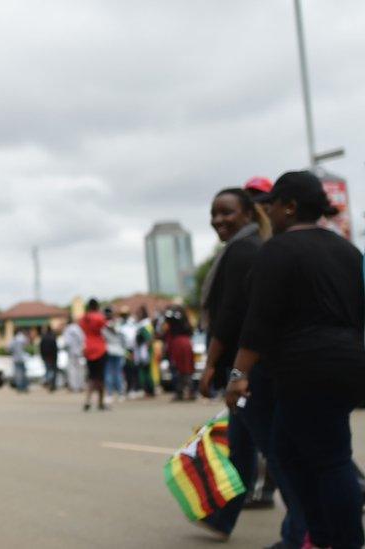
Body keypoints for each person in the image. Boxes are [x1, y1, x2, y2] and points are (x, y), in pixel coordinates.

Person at [227, 171, 365, 549]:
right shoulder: (348, 251)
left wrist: (238, 374)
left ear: (289, 206)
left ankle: (344, 541)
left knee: (330, 459)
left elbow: (259, 320)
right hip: (349, 361)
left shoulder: (279, 249)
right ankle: (321, 537)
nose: (267, 211)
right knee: (288, 451)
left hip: (307, 367)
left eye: (272, 204)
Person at [195, 187, 305, 545]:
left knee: (276, 453)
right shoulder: (248, 247)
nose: (218, 220)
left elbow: (230, 315)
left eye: (227, 212)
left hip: (247, 371)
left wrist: (212, 364)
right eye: (214, 213)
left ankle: (302, 532)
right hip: (247, 369)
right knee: (241, 448)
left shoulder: (244, 250)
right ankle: (223, 517)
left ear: (247, 213)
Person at [161, 307, 196, 402]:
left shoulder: (171, 322)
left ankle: (181, 392)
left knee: (179, 370)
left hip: (178, 345)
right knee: (187, 370)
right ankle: (190, 392)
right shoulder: (186, 322)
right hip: (186, 344)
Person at [79, 299, 108, 411]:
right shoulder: (99, 317)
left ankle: (88, 400)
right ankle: (101, 402)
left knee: (91, 377)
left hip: (88, 348)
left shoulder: (84, 318)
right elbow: (105, 327)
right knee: (100, 377)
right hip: (100, 348)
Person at [102, 308, 126, 403]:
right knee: (118, 373)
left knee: (109, 373)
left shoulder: (103, 326)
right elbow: (123, 338)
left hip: (109, 351)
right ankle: (120, 393)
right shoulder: (118, 324)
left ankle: (109, 394)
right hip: (118, 351)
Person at [133, 307, 155, 398]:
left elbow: (149, 339)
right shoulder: (141, 325)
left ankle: (149, 390)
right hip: (141, 352)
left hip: (145, 352)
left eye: (139, 313)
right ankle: (147, 390)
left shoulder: (145, 325)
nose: (137, 315)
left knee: (147, 372)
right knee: (144, 372)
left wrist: (145, 349)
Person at [62, 319, 86, 392]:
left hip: (71, 352)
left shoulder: (68, 329)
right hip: (79, 352)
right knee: (80, 369)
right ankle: (80, 385)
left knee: (72, 369)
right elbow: (83, 339)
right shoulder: (78, 328)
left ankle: (73, 386)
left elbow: (67, 342)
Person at [8, 329, 29, 393]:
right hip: (22, 358)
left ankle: (19, 387)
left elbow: (9, 348)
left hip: (16, 358)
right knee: (23, 373)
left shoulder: (14, 340)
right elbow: (27, 345)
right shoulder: (23, 338)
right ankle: (23, 387)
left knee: (18, 374)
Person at [39, 326, 60, 392]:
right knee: (53, 371)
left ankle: (48, 382)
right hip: (53, 357)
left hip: (46, 356)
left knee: (48, 370)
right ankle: (51, 384)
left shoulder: (43, 338)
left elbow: (41, 347)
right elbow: (55, 348)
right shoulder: (53, 337)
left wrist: (42, 356)